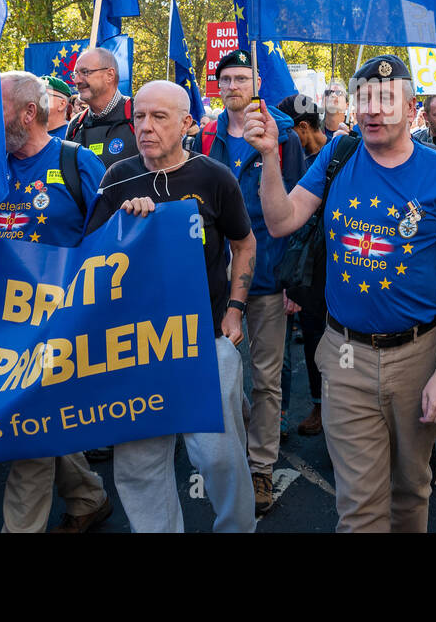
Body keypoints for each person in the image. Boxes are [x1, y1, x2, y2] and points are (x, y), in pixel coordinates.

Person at [244, 54, 436, 532]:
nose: (373, 110)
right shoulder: (337, 155)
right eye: (365, 98)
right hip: (345, 357)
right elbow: (282, 220)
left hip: (419, 357)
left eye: (386, 100)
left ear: (411, 109)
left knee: (411, 492)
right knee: (360, 509)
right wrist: (269, 156)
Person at [84, 80, 258, 532]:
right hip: (136, 347)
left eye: (159, 117)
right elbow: (90, 257)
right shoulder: (117, 179)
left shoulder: (214, 177)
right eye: (139, 116)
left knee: (218, 457)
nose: (145, 126)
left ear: (186, 123)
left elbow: (244, 243)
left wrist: (235, 310)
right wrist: (124, 225)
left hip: (205, 341)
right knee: (140, 465)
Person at [0, 72, 112, 532]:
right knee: (38, 424)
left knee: (26, 435)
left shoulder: (78, 163)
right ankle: (89, 497)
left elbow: (110, 242)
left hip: (59, 328)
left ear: (27, 113)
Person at [204, 49, 306, 515]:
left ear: (256, 82)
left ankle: (261, 467)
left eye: (241, 78)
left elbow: (299, 208)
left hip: (266, 274)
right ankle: (241, 438)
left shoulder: (281, 134)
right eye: (226, 79)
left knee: (267, 377)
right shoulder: (204, 136)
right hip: (212, 278)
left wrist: (290, 279)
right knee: (223, 372)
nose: (233, 86)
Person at [276, 93, 331, 439]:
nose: (284, 140)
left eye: (288, 132)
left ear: (304, 127)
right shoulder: (292, 158)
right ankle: (319, 405)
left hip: (332, 265)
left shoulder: (337, 155)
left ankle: (337, 407)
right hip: (303, 270)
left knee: (336, 341)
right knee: (311, 338)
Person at [66, 46, 137, 168]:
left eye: (85, 72)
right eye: (75, 74)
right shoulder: (76, 125)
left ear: (110, 75)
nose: (76, 80)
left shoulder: (138, 113)